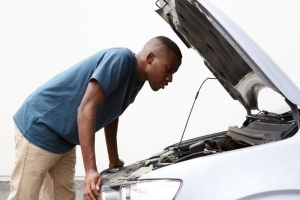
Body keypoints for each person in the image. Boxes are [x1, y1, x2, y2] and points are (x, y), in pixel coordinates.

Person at [8, 35, 182, 200]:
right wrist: (90, 170)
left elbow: (112, 112)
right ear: (150, 58)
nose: (170, 78)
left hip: (65, 140)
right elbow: (86, 109)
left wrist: (113, 158)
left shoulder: (137, 80)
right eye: (168, 69)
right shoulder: (120, 59)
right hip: (40, 128)